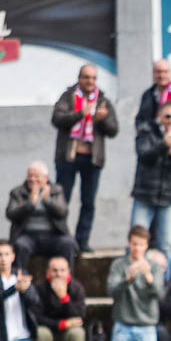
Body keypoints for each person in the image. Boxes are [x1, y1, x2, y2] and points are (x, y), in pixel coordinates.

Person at [52, 64, 118, 252]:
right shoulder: (68, 97)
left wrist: (102, 120)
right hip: (69, 157)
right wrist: (80, 113)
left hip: (92, 158)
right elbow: (57, 119)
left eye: (93, 78)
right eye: (87, 77)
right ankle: (60, 238)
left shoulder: (102, 100)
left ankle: (82, 241)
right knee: (61, 200)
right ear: (79, 78)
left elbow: (113, 130)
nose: (90, 81)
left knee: (88, 202)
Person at [130, 102, 171, 279]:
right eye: (168, 116)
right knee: (136, 243)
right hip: (144, 196)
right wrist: (163, 145)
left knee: (166, 245)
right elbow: (144, 155)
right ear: (159, 116)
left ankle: (162, 285)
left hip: (170, 199)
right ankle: (133, 283)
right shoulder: (147, 131)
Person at [107, 225, 166, 341]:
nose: (137, 248)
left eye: (140, 244)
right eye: (134, 244)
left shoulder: (154, 267)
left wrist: (148, 277)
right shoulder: (119, 265)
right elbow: (111, 291)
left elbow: (159, 294)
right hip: (123, 326)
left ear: (146, 245)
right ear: (128, 244)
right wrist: (128, 279)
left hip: (147, 327)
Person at [6, 162, 78, 272]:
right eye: (30, 176)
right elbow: (10, 214)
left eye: (36, 176)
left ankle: (67, 280)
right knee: (20, 245)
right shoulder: (17, 192)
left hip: (53, 236)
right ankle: (20, 279)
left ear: (45, 178)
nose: (32, 179)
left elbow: (63, 212)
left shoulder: (56, 190)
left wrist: (47, 201)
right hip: (28, 236)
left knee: (68, 243)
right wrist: (30, 204)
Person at [33, 256, 87, 341]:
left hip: (69, 332)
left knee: (78, 334)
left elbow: (80, 317)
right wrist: (62, 324)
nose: (59, 274)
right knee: (41, 334)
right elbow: (37, 317)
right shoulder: (40, 288)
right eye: (55, 270)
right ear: (48, 272)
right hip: (49, 329)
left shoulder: (76, 288)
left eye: (62, 270)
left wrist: (64, 298)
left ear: (68, 271)